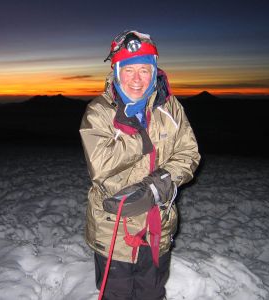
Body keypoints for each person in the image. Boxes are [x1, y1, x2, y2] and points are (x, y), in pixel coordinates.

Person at [79, 30, 200, 300]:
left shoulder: (170, 107)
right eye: (129, 70)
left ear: (154, 70)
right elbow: (101, 164)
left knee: (152, 293)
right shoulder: (100, 111)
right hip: (115, 231)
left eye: (144, 70)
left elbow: (189, 153)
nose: (137, 79)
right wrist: (139, 137)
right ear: (117, 71)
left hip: (159, 225)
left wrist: (162, 181)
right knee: (116, 294)